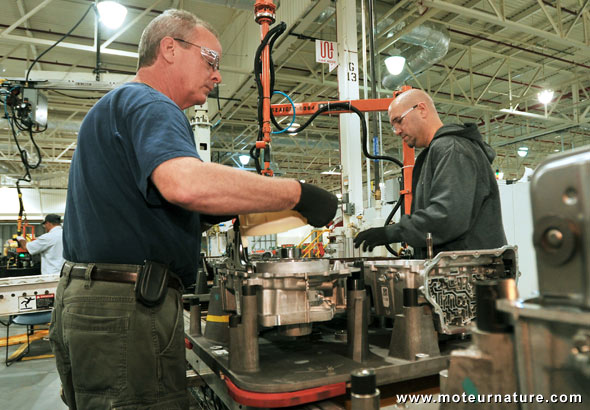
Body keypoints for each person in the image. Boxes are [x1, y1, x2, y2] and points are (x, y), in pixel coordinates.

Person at [49, 9, 337, 410]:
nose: (218, 76)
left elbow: (141, 208)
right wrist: (297, 194)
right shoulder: (151, 103)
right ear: (170, 48)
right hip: (125, 308)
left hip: (88, 301)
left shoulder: (112, 108)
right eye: (211, 61)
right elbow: (184, 182)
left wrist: (222, 210)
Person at [354, 89, 507, 257]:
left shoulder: (451, 149)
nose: (397, 131)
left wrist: (391, 233)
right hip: (459, 270)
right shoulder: (436, 152)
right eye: (393, 126)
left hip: (473, 274)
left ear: (422, 109)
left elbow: (447, 217)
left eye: (399, 121)